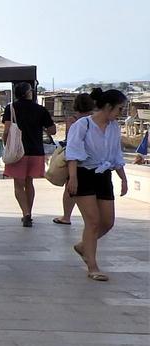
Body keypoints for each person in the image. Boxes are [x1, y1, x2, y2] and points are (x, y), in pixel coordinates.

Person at [65, 89, 129, 282]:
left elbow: (116, 154)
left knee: (107, 222)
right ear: (108, 107)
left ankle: (84, 245)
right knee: (92, 222)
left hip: (104, 175)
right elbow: (73, 152)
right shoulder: (83, 125)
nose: (120, 112)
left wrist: (123, 178)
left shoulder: (114, 127)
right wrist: (73, 178)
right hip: (84, 175)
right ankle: (92, 266)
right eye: (119, 108)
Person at [2, 82, 56, 227]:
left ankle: (25, 213)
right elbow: (52, 131)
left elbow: (7, 130)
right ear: (29, 93)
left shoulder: (11, 108)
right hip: (36, 151)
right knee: (29, 182)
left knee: (18, 184)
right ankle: (29, 213)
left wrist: (5, 144)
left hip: (18, 151)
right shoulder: (40, 109)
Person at [53, 93, 95, 226]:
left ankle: (66, 216)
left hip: (75, 159)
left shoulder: (72, 120)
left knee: (70, 188)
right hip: (92, 158)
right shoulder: (94, 120)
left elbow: (69, 140)